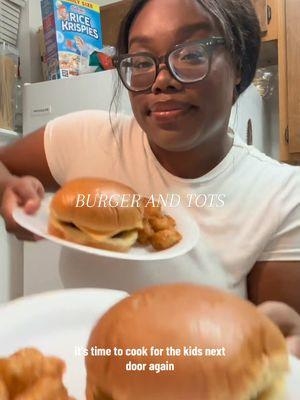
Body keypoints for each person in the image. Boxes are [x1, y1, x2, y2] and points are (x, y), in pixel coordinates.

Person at [0, 0, 300, 354]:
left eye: (190, 54)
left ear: (238, 65)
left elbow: (275, 345)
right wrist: (9, 190)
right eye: (142, 62)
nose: (161, 80)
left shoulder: (280, 195)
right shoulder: (84, 138)